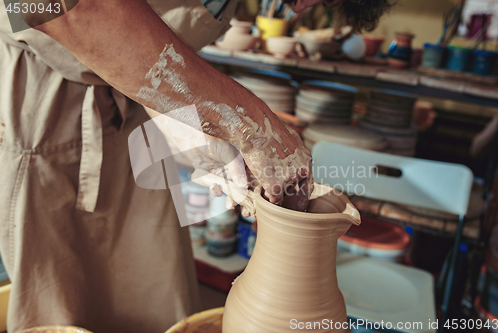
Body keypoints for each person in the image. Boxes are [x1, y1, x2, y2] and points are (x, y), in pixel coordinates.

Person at [0, 0, 392, 332]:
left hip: (133, 113)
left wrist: (184, 123)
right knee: (64, 298)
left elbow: (141, 41)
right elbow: (62, 7)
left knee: (153, 289)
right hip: (49, 108)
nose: (303, 9)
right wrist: (254, 128)